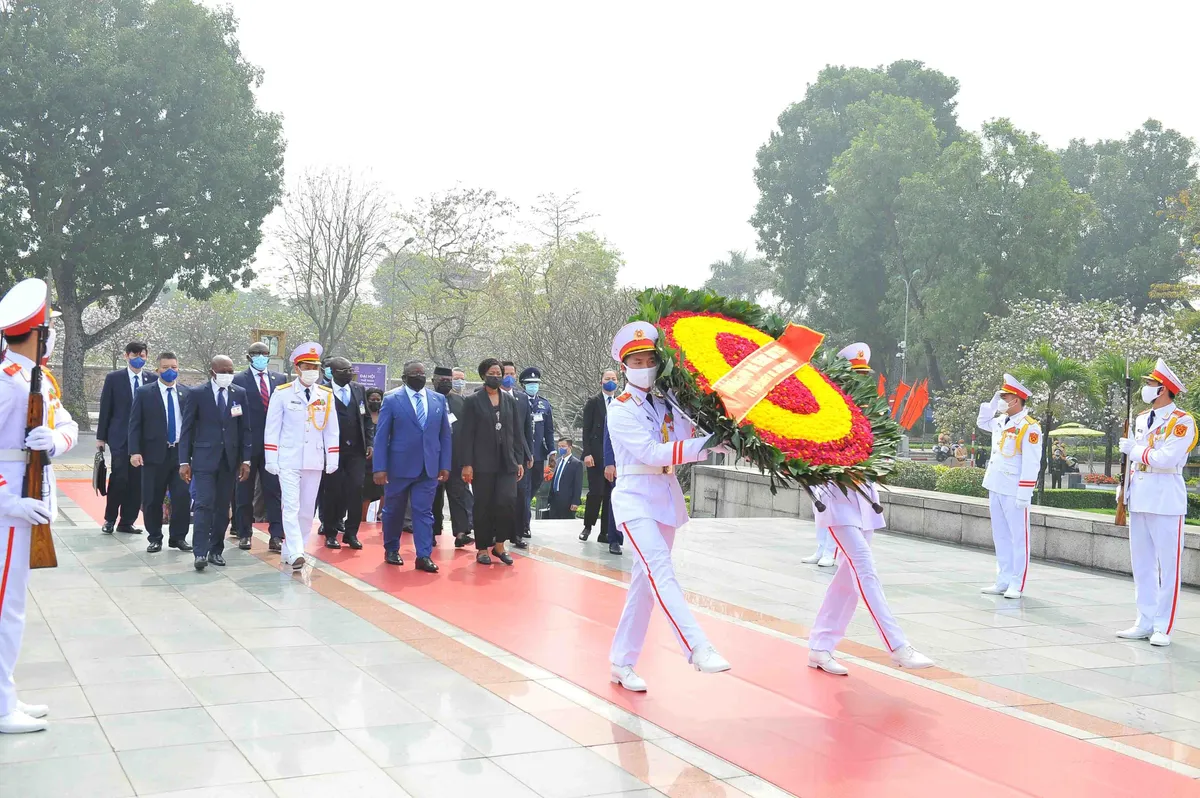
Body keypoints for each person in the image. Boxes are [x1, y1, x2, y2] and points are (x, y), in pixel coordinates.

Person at [607, 321, 731, 692]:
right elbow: (649, 452)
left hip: (664, 496)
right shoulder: (621, 408)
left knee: (644, 585)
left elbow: (685, 439)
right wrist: (700, 446)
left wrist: (714, 441)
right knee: (661, 571)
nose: (645, 367)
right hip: (634, 498)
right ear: (625, 366)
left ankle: (621, 661)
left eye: (650, 360)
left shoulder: (666, 403)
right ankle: (698, 647)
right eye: (637, 360)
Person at [807, 344, 933, 675]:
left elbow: (879, 454)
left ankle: (820, 646)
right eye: (854, 376)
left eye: (864, 376)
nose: (860, 383)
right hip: (835, 500)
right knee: (865, 569)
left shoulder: (869, 414)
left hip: (864, 502)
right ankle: (897, 645)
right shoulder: (824, 412)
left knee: (847, 581)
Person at [0, 278, 79, 734]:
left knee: (12, 606)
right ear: (40, 333)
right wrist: (8, 501)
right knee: (5, 609)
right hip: (11, 508)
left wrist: (56, 440)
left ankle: (5, 692)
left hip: (30, 500)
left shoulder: (38, 379)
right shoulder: (7, 382)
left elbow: (65, 425)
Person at [1116, 359, 1195, 647]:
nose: (1146, 388)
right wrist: (1123, 489)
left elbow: (1167, 459)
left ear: (1163, 389)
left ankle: (1163, 625)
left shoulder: (1182, 421)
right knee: (1143, 564)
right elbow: (1134, 463)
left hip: (1165, 499)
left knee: (1168, 567)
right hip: (1138, 496)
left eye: (1150, 384)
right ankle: (1144, 619)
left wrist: (1135, 450)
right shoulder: (1140, 418)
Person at [264, 343, 340, 571]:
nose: (312, 371)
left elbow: (331, 429)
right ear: (297, 368)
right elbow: (272, 428)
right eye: (307, 366)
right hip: (288, 458)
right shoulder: (283, 393)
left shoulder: (325, 395)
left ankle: (293, 549)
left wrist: (332, 457)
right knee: (291, 506)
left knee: (308, 510)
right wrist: (271, 458)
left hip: (314, 459)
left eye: (315, 367)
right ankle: (297, 551)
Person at [373, 361, 451, 572]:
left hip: (428, 467)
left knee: (423, 512)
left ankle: (423, 556)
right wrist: (379, 467)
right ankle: (391, 549)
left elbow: (444, 435)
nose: (419, 376)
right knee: (394, 511)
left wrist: (445, 464)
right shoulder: (392, 399)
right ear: (405, 377)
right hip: (399, 467)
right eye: (414, 373)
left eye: (422, 373)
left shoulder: (438, 400)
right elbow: (381, 437)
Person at [179, 356, 251, 571]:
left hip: (229, 462)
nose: (228, 375)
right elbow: (187, 430)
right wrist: (184, 461)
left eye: (231, 371)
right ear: (213, 372)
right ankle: (199, 552)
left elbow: (245, 429)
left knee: (222, 507)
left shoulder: (239, 393)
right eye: (223, 371)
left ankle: (215, 550)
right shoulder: (197, 394)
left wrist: (245, 460)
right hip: (204, 461)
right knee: (203, 504)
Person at [976, 374, 1042, 599]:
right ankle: (1002, 578)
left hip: (1015, 489)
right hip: (996, 484)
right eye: (1001, 396)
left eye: (1006, 397)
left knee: (1019, 538)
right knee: (1000, 536)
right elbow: (982, 422)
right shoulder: (1001, 421)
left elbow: (1032, 463)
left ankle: (1017, 583)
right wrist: (992, 402)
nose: (1003, 400)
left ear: (1018, 399)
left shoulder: (1029, 427)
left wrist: (1025, 492)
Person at [461, 359, 527, 566]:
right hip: (482, 463)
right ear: (483, 375)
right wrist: (467, 463)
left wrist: (519, 460)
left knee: (507, 502)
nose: (496, 376)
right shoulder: (472, 401)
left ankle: (500, 545)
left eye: (499, 373)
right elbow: (466, 435)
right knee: (483, 505)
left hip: (507, 461)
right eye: (492, 373)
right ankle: (482, 548)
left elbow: (517, 432)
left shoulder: (510, 401)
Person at [128, 351, 193, 554]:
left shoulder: (187, 393)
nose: (170, 371)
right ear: (157, 370)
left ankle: (178, 537)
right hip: (154, 454)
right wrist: (134, 451)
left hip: (180, 455)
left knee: (182, 497)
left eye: (174, 367)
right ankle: (155, 537)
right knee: (152, 499)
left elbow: (192, 425)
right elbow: (135, 424)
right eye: (165, 367)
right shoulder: (145, 393)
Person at [97, 340, 156, 535]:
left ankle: (127, 521)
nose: (138, 359)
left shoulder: (152, 379)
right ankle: (110, 519)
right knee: (120, 478)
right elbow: (106, 408)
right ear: (126, 356)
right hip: (120, 437)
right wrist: (101, 437)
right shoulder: (114, 378)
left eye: (142, 355)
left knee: (137, 482)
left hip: (143, 439)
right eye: (134, 355)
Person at [233, 341, 286, 551]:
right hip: (247, 444)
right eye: (256, 353)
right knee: (244, 491)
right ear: (248, 357)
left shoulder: (280, 379)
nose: (261, 356)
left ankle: (276, 536)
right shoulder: (238, 380)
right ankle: (244, 532)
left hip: (272, 446)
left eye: (264, 353)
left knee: (273, 491)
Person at [321, 357, 373, 550]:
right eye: (344, 370)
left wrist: (369, 442)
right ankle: (330, 532)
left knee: (356, 490)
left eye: (350, 370)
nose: (348, 373)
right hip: (333, 450)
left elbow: (366, 418)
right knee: (332, 492)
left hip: (356, 450)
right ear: (332, 372)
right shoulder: (322, 391)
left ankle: (351, 533)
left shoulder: (358, 389)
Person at [432, 367, 474, 547]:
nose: (446, 382)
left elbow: (469, 431)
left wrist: (468, 460)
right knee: (433, 496)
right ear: (433, 380)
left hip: (456, 457)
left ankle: (461, 533)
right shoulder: (428, 400)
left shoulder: (461, 402)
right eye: (441, 379)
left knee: (459, 496)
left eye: (448, 379)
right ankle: (431, 532)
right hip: (434, 457)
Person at [580, 370, 618, 544]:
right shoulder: (593, 402)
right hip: (595, 456)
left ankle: (606, 532)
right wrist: (586, 453)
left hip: (615, 457)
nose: (610, 382)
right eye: (607, 379)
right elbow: (586, 430)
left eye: (614, 379)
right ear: (601, 381)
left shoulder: (621, 402)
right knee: (596, 493)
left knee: (611, 495)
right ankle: (588, 526)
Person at [501, 361, 535, 549]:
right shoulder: (492, 397)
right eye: (506, 373)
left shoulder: (522, 399)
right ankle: (495, 533)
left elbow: (526, 429)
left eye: (512, 373)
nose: (510, 376)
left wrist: (529, 453)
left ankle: (517, 534)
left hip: (520, 454)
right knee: (499, 496)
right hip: (497, 454)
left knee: (520, 496)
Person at [519, 366, 554, 537]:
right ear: (523, 384)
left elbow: (549, 430)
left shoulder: (544, 404)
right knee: (524, 488)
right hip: (524, 454)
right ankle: (525, 524)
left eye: (536, 383)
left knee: (535, 484)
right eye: (529, 383)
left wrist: (552, 451)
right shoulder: (518, 401)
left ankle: (522, 512)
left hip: (539, 453)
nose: (533, 386)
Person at [360, 387, 385, 523]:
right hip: (367, 459)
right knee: (366, 492)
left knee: (384, 490)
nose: (375, 402)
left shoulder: (385, 414)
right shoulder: (363, 415)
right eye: (372, 400)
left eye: (378, 400)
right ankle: (362, 519)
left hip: (382, 459)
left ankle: (381, 515)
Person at [548, 438, 584, 519]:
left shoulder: (576, 464)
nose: (560, 448)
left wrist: (575, 502)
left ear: (570, 447)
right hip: (554, 500)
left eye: (563, 446)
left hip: (567, 501)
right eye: (559, 446)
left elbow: (578, 484)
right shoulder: (557, 461)